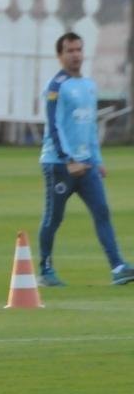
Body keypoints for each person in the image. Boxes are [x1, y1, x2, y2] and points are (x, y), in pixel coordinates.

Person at [37, 32, 134, 287]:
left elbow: (90, 126)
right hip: (59, 165)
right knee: (53, 218)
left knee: (102, 212)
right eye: (70, 50)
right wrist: (68, 159)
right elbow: (54, 125)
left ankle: (118, 267)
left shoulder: (89, 85)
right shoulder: (56, 86)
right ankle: (45, 269)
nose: (76, 55)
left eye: (79, 49)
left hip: (86, 164)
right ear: (60, 55)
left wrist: (97, 159)